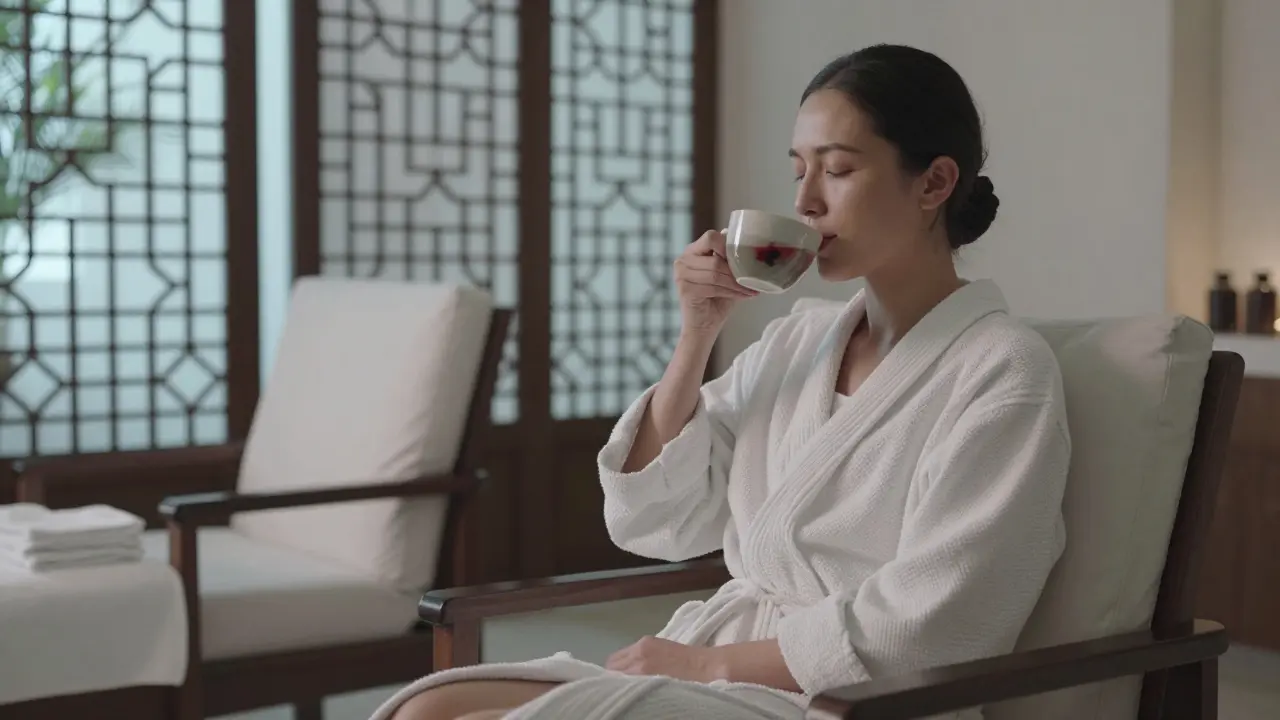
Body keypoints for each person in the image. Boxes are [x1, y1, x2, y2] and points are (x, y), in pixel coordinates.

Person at [375, 43, 1071, 720]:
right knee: (431, 706)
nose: (805, 201)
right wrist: (697, 333)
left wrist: (706, 666)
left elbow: (937, 621)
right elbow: (661, 520)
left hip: (851, 697)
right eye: (797, 169)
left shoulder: (1003, 370)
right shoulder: (798, 339)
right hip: (722, 669)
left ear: (934, 182)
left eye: (837, 171)